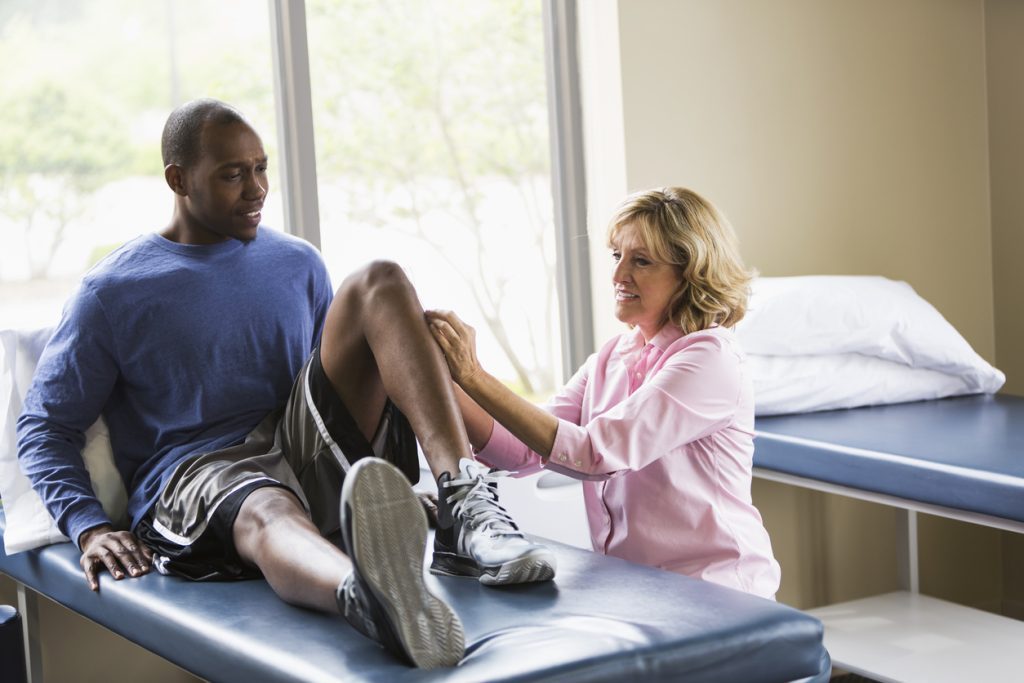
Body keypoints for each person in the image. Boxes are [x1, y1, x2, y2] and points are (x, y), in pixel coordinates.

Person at [16, 98, 555, 669]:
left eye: (261, 168)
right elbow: (43, 427)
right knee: (268, 506)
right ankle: (373, 599)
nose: (256, 189)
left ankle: (461, 504)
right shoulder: (113, 290)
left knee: (379, 279)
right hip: (201, 476)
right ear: (178, 179)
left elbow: (332, 389)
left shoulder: (297, 263)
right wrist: (88, 526)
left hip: (297, 446)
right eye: (232, 174)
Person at [426, 187, 781, 600]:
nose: (617, 276)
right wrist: (442, 378)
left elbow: (595, 455)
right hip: (636, 588)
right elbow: (520, 451)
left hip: (717, 593)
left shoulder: (710, 358)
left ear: (691, 273)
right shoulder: (614, 355)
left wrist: (473, 375)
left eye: (641, 261)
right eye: (617, 256)